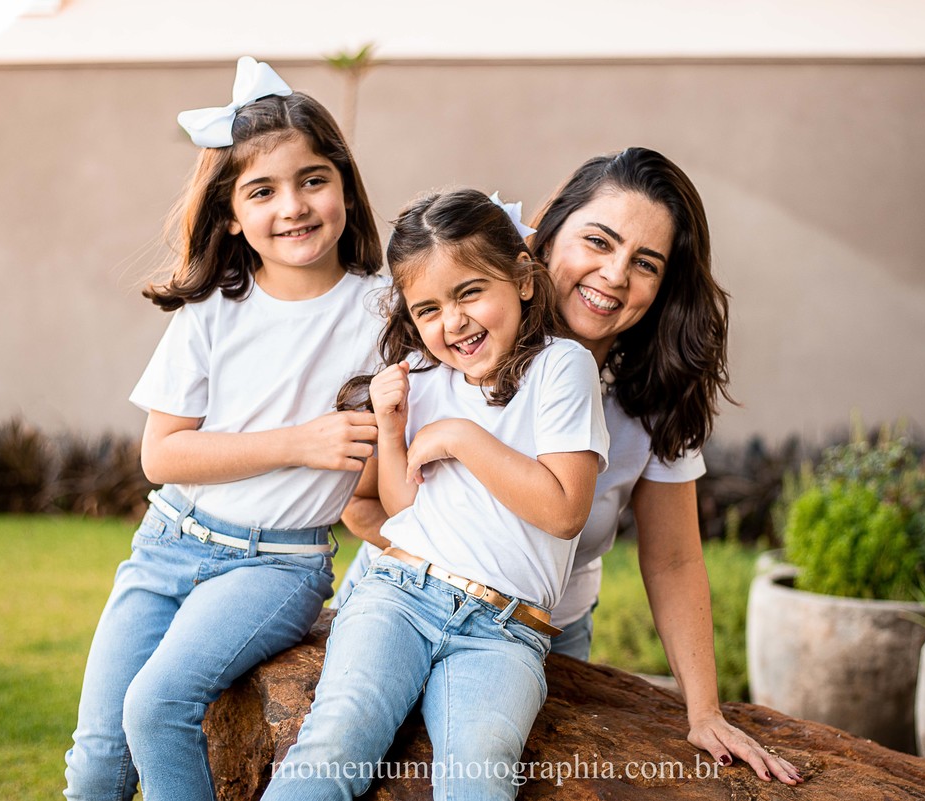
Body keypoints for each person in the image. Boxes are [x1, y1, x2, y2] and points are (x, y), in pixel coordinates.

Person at [337, 149, 803, 785]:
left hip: (536, 634)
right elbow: (360, 501)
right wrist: (446, 571)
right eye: (598, 241)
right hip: (399, 609)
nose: (614, 275)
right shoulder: (454, 339)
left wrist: (704, 711)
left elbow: (673, 559)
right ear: (543, 242)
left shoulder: (649, 399)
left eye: (646, 264)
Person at [63, 57, 386, 801]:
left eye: (313, 179)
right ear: (232, 214)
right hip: (167, 545)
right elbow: (163, 454)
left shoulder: (384, 309)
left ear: (344, 184)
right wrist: (300, 442)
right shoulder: (214, 309)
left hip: (274, 566)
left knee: (158, 704)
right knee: (95, 763)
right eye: (262, 190)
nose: (294, 206)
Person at [262, 189, 608, 800]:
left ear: (524, 280)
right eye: (427, 309)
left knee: (481, 771)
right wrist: (394, 431)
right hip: (399, 594)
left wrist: (460, 435)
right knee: (340, 734)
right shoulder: (423, 376)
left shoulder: (562, 367)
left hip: (505, 629)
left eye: (469, 292)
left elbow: (563, 509)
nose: (452, 323)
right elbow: (403, 509)